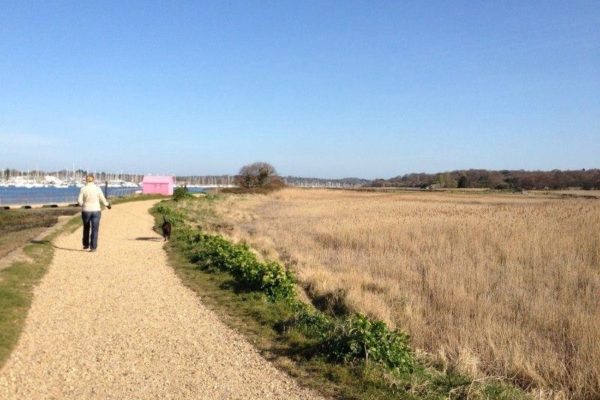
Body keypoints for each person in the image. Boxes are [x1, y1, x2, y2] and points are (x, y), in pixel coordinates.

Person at [78, 175, 111, 252]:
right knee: (95, 229)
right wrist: (107, 205)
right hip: (96, 210)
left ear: (86, 180)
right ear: (93, 180)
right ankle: (93, 247)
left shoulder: (83, 189)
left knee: (86, 228)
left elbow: (79, 201)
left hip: (86, 210)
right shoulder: (97, 189)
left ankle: (86, 244)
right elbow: (102, 198)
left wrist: (83, 205)